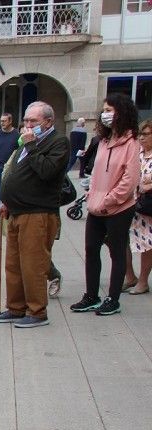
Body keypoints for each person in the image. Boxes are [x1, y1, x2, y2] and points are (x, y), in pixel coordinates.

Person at [0, 101, 70, 328]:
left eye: (33, 121)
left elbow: (46, 171)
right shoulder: (25, 143)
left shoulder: (58, 142)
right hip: (16, 211)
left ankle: (37, 312)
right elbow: (15, 172)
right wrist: (6, 200)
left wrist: (33, 145)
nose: (27, 125)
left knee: (33, 264)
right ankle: (16, 307)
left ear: (48, 121)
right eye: (25, 120)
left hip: (37, 212)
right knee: (14, 264)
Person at [69, 93, 142, 316]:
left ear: (121, 113)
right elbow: (98, 172)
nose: (105, 114)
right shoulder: (103, 141)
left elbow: (129, 180)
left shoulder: (132, 143)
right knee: (91, 249)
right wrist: (92, 195)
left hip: (119, 208)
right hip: (96, 205)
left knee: (116, 252)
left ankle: (113, 298)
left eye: (109, 110)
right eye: (104, 110)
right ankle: (92, 295)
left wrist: (109, 201)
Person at [124, 120, 152, 295]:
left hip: (147, 208)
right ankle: (129, 276)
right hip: (129, 203)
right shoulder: (136, 153)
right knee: (120, 240)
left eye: (146, 134)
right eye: (140, 134)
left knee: (147, 243)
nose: (141, 138)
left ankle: (143, 281)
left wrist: (148, 185)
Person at [0, 113, 21, 225]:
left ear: (10, 121)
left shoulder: (16, 135)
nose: (2, 123)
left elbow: (19, 151)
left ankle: (8, 213)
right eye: (1, 121)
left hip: (11, 167)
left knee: (9, 191)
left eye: (4, 121)